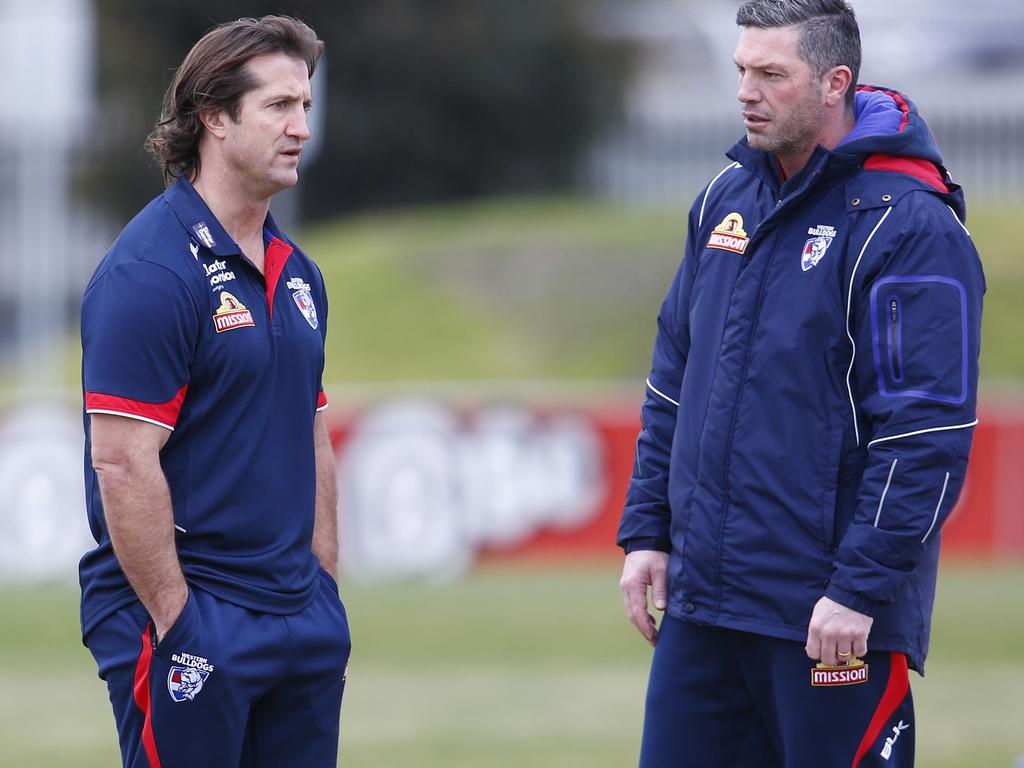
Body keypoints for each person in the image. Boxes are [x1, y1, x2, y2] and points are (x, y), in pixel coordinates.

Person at [617, 1, 984, 766]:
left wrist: (859, 590)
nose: (747, 91)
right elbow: (673, 379)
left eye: (771, 74)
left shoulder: (909, 224)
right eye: (741, 71)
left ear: (833, 82)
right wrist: (648, 531)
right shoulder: (725, 198)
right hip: (705, 610)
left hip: (828, 619)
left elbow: (925, 435)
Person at [79, 16, 350, 768]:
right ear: (215, 119)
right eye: (278, 107)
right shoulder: (150, 274)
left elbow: (312, 431)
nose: (301, 127)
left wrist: (324, 591)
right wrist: (177, 619)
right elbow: (124, 465)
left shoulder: (298, 273)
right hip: (195, 617)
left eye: (306, 105)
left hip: (298, 615)